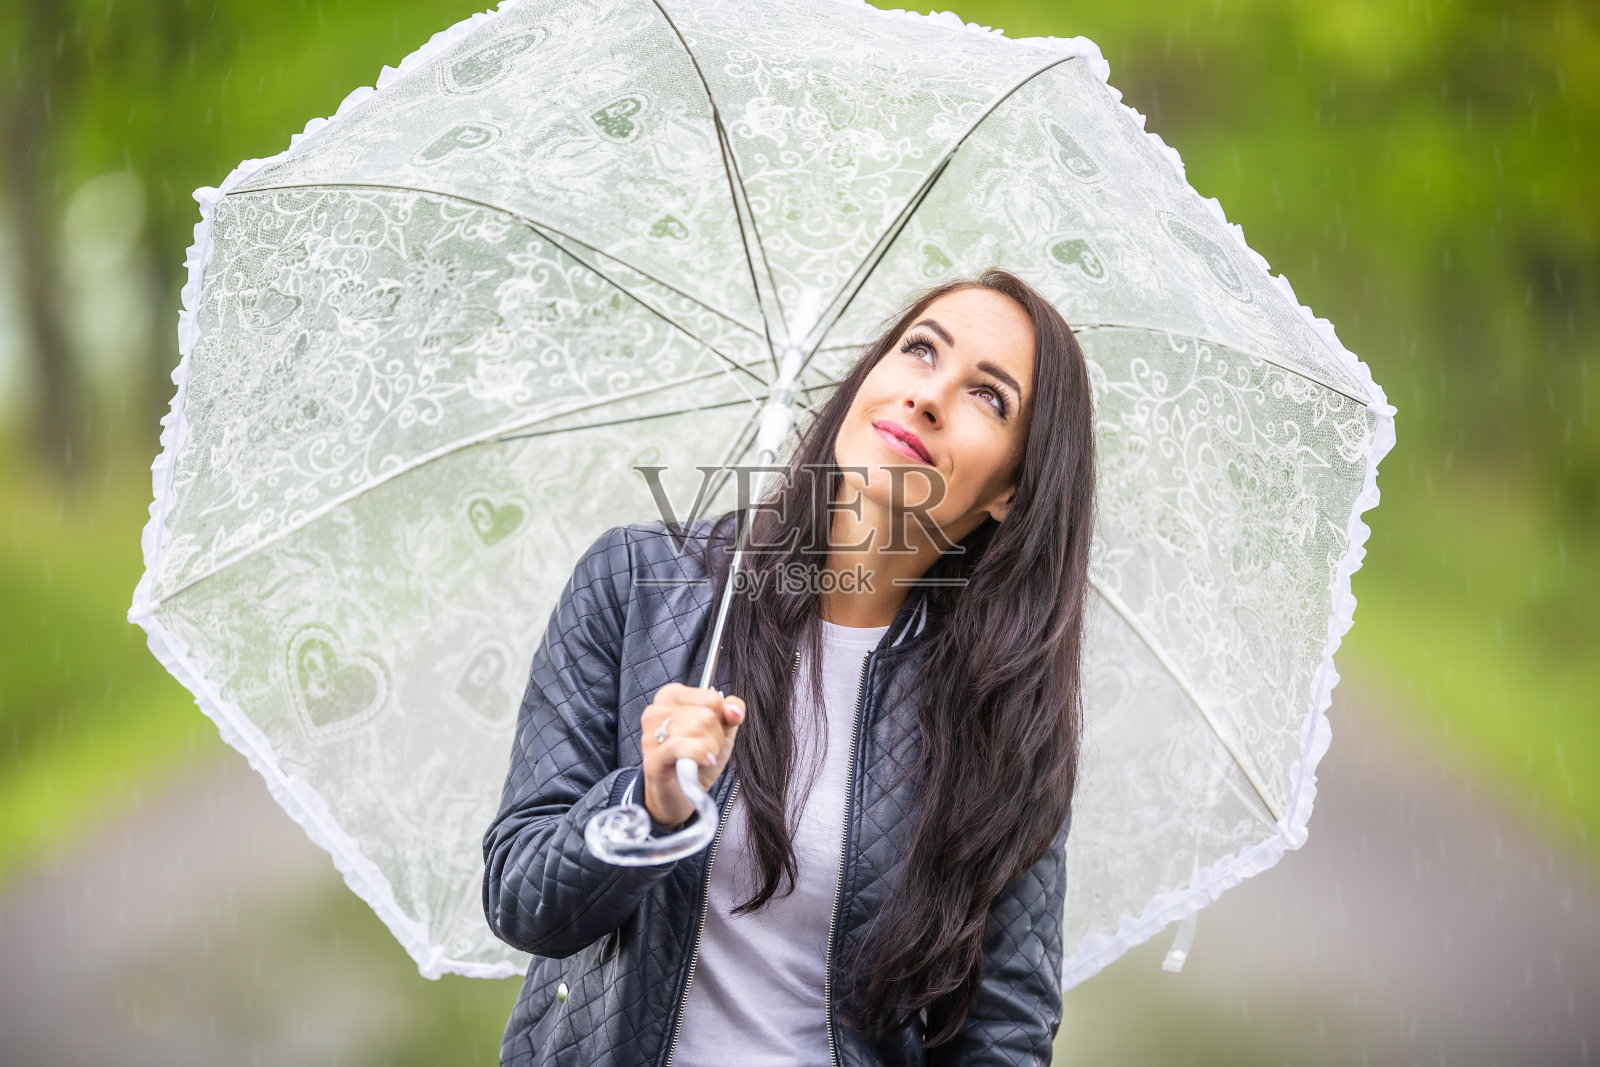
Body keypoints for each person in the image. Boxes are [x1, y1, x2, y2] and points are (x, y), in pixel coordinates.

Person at [482, 267, 1096, 1066]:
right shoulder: (637, 584)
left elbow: (1002, 1033)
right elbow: (522, 900)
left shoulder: (1003, 721)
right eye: (919, 350)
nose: (929, 396)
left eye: (989, 396)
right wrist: (647, 805)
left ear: (1012, 490)